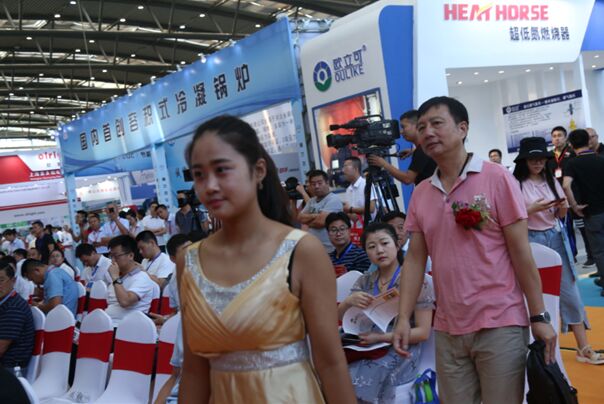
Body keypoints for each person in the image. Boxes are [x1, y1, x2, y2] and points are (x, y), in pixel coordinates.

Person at [178, 115, 355, 403]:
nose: (209, 186)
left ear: (258, 170)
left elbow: (331, 363)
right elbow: (194, 371)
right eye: (199, 175)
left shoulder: (302, 251)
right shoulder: (188, 261)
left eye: (222, 170)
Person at [392, 96, 556, 404]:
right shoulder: (422, 192)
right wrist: (403, 317)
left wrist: (539, 316)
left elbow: (521, 253)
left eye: (437, 123)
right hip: (447, 327)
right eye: (422, 127)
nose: (428, 132)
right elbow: (414, 259)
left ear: (462, 128)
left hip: (500, 322)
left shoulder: (496, 177)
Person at [513, 136, 603, 364]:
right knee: (532, 295)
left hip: (555, 237)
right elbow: (510, 216)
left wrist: (563, 208)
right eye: (532, 159)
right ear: (523, 161)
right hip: (529, 241)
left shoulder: (551, 180)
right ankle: (537, 350)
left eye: (541, 159)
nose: (538, 163)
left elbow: (560, 215)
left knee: (570, 292)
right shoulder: (515, 184)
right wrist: (531, 209)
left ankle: (584, 347)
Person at [337, 223, 434, 403]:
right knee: (334, 368)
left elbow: (423, 332)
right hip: (365, 344)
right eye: (372, 247)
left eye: (384, 243)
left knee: (363, 375)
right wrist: (348, 302)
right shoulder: (364, 281)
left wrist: (381, 338)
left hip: (399, 345)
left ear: (397, 244)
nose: (379, 250)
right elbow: (340, 318)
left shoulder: (417, 280)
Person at [562, 129, 604, 297]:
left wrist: (574, 206)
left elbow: (566, 185)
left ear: (571, 145)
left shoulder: (572, 164)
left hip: (591, 212)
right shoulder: (601, 159)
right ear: (589, 141)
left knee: (599, 250)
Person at [368, 109, 437, 186]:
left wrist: (384, 164)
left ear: (417, 126)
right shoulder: (426, 147)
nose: (401, 132)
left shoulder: (421, 151)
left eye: (403, 127)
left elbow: (407, 179)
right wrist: (413, 151)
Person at [105, 235, 156, 325]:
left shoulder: (142, 277)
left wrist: (115, 278)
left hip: (128, 327)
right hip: (109, 324)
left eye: (116, 256)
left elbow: (125, 301)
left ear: (131, 255)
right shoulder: (118, 276)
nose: (113, 261)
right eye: (111, 256)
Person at [0, 260, 35, 375]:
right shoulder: (6, 302)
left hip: (9, 373)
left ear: (13, 281)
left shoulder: (14, 308)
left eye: (1, 280)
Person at [298, 169, 344, 252]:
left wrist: (307, 222)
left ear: (327, 183)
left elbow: (320, 222)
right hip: (314, 248)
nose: (316, 186)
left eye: (320, 183)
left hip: (330, 249)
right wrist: (315, 215)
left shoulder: (333, 199)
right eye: (313, 184)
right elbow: (300, 218)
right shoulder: (312, 201)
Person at [342, 157, 376, 223]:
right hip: (355, 228)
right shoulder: (348, 189)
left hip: (369, 226)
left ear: (356, 169)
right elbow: (349, 212)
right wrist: (348, 213)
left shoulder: (367, 184)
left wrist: (351, 210)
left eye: (346, 167)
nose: (343, 171)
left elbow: (371, 208)